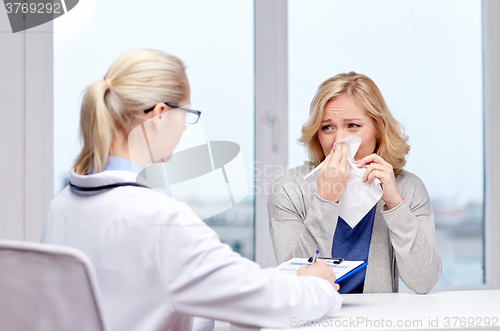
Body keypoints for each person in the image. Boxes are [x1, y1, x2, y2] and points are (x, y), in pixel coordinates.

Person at [41, 49, 342, 331]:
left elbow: (161, 288)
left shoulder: (62, 205)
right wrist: (316, 285)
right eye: (186, 113)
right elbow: (269, 303)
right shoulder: (159, 218)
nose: (185, 127)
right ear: (159, 114)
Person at [268, 72, 442, 295]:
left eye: (352, 125)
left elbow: (424, 281)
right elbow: (295, 282)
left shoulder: (409, 188)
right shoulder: (288, 189)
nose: (339, 140)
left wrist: (396, 204)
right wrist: (325, 199)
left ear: (378, 130)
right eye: (327, 127)